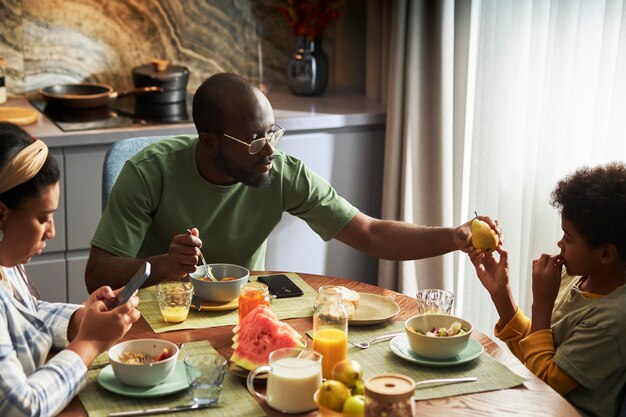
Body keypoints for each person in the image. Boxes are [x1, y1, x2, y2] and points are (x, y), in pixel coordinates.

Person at [85, 72, 495, 292]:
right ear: (208, 141)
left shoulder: (279, 171)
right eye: (254, 140)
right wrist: (162, 264)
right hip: (157, 315)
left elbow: (369, 233)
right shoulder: (148, 171)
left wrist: (453, 237)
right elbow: (97, 273)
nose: (269, 151)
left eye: (273, 132)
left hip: (242, 311)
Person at [0, 123, 141, 417]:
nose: (51, 232)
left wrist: (79, 320)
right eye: (43, 218)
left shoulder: (7, 266)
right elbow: (22, 408)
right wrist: (89, 343)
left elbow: (26, 314)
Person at [468, 162, 626, 417]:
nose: (559, 243)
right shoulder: (577, 278)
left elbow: (545, 381)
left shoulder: (613, 320)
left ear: (605, 253)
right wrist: (501, 293)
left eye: (569, 238)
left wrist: (541, 304)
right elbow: (537, 354)